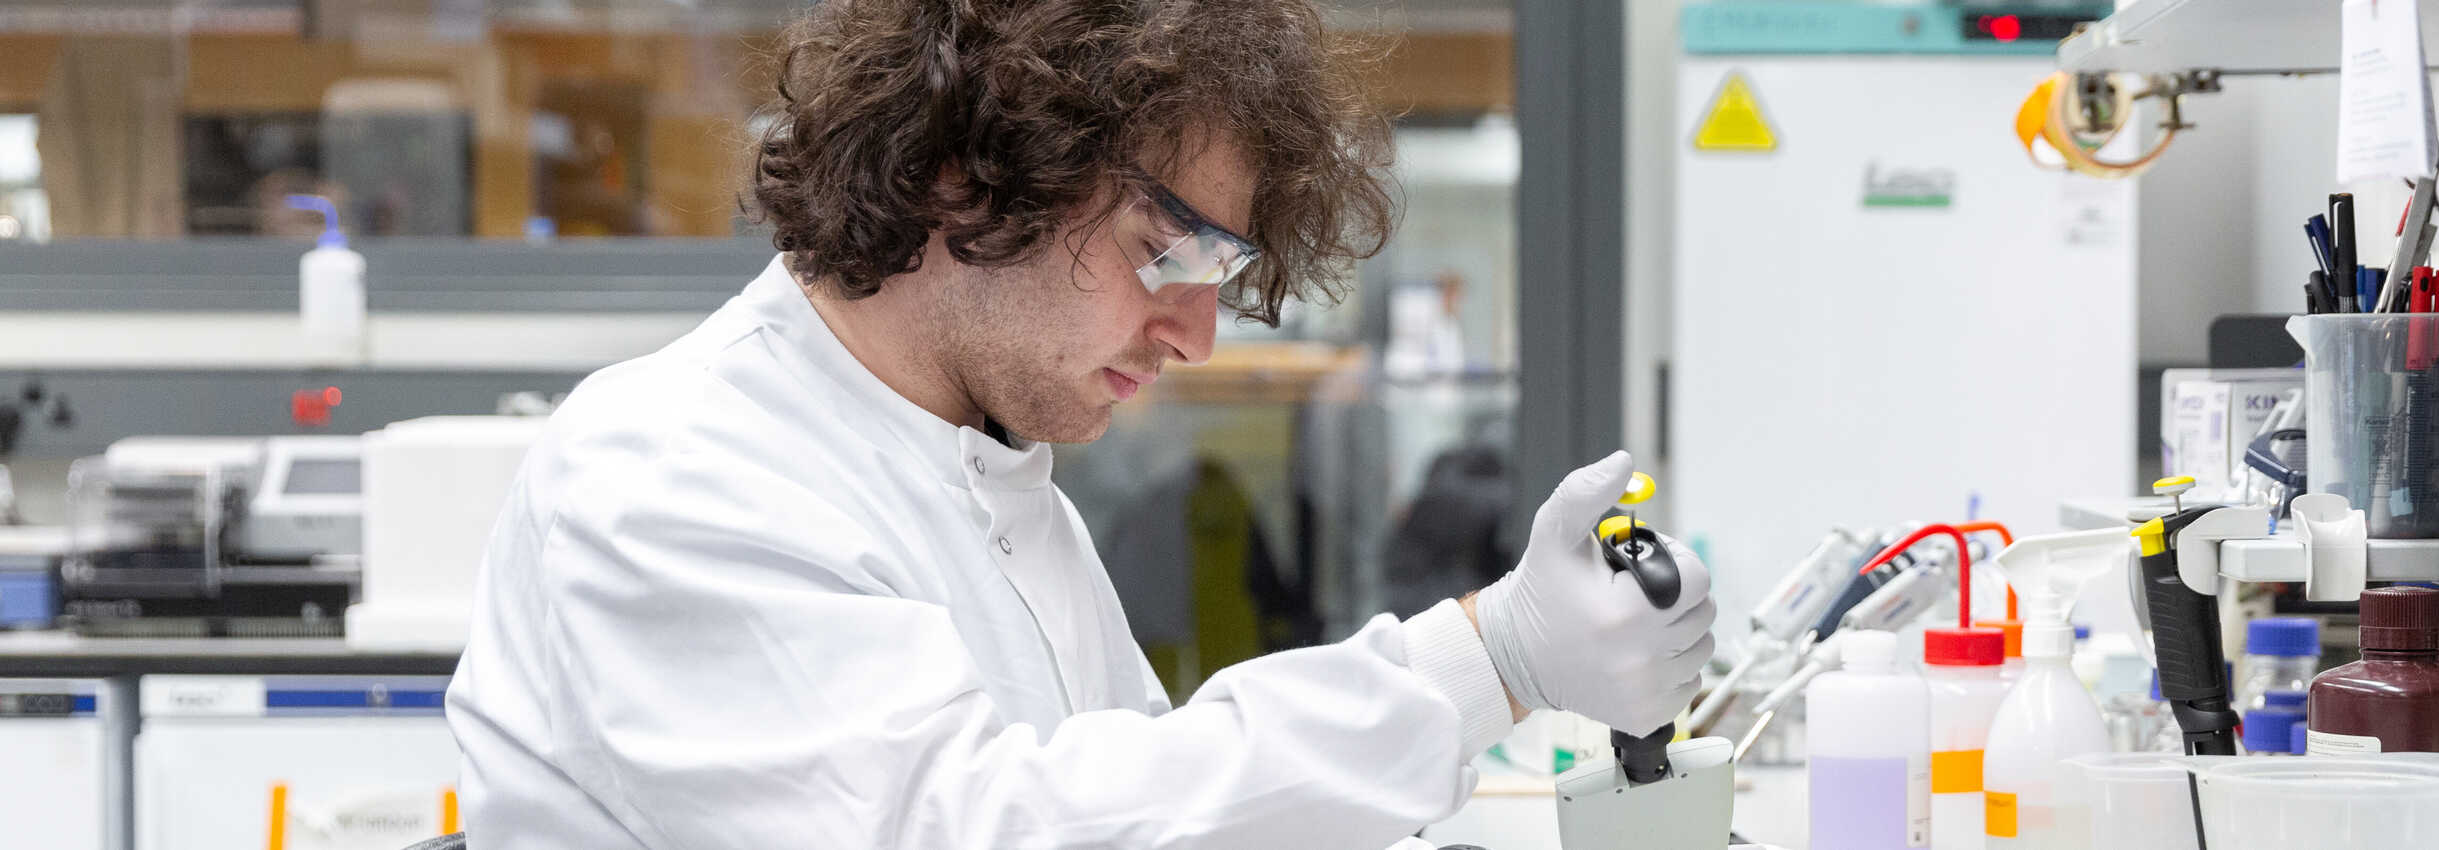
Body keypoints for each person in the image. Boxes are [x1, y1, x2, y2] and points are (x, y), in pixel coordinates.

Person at [442, 0, 1717, 848]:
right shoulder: (674, 471)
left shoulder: (1002, 485)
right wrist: (1480, 662)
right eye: (1165, 254)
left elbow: (1152, 806)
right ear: (967, 170)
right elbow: (984, 832)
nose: (1195, 338)